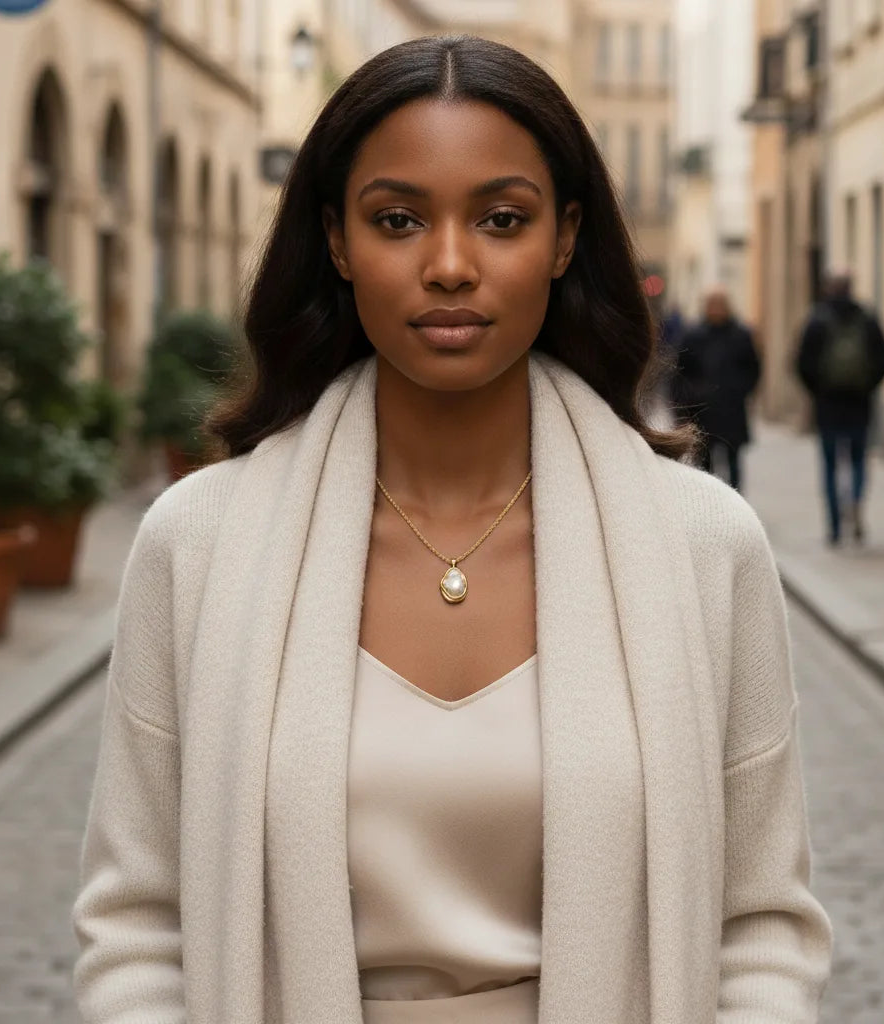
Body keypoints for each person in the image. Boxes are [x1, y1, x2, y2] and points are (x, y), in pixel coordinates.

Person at [72, 35, 831, 1023]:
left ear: (563, 239)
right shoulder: (198, 543)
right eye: (396, 219)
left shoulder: (704, 544)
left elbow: (762, 926)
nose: (447, 265)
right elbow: (136, 923)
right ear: (337, 241)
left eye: (501, 219)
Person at [796, 271, 884, 546]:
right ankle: (857, 501)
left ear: (828, 289)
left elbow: (802, 363)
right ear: (851, 289)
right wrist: (869, 385)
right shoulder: (867, 318)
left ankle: (835, 526)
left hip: (828, 405)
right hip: (859, 404)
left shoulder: (816, 320)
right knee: (858, 459)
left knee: (829, 464)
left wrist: (817, 390)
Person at [671, 287, 761, 491]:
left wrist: (740, 390)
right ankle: (709, 504)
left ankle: (737, 504)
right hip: (704, 411)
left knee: (733, 461)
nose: (717, 310)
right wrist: (689, 399)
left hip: (731, 410)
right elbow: (680, 373)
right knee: (704, 464)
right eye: (713, 305)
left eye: (721, 305)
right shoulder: (693, 336)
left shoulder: (740, 335)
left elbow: (753, 368)